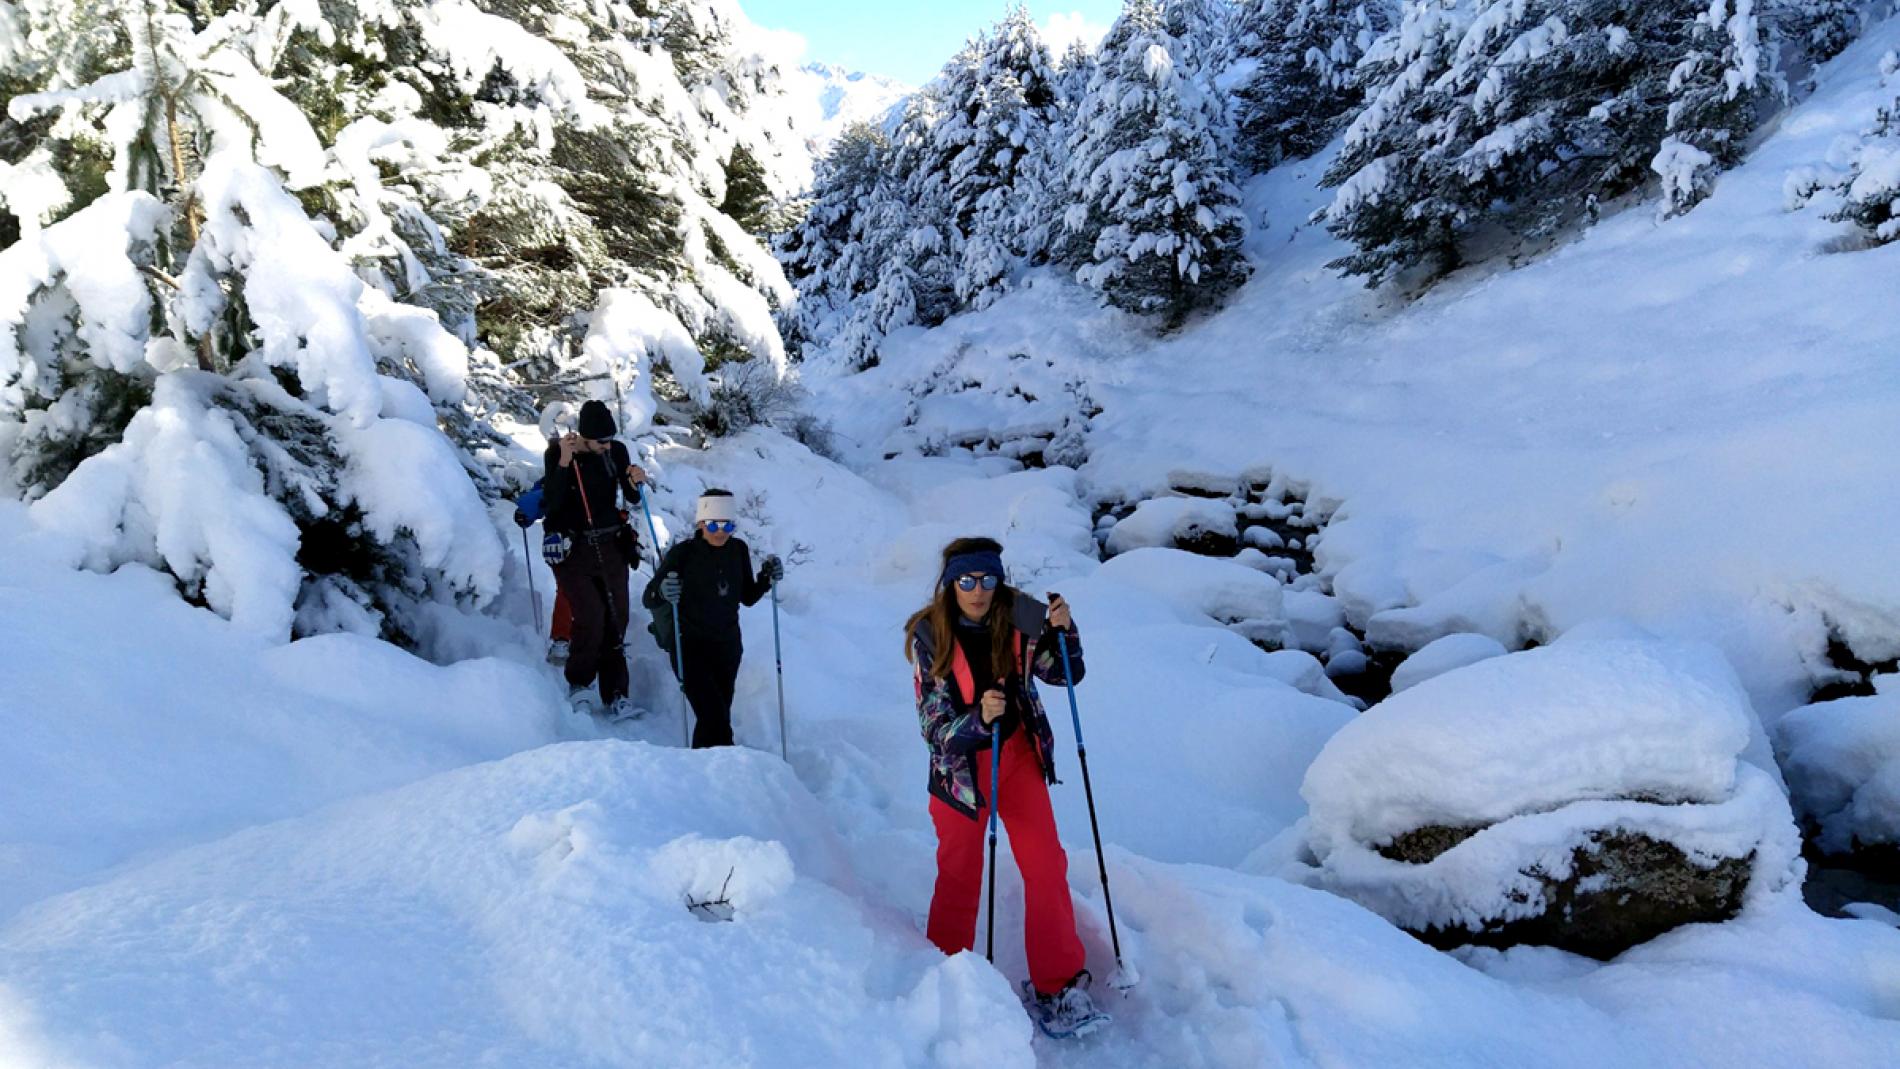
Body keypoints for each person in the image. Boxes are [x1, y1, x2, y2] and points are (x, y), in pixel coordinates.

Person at [903, 536, 1103, 1036]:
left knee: (1046, 866)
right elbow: (933, 728)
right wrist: (976, 719)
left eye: (987, 579)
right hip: (961, 773)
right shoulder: (930, 637)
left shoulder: (1021, 617)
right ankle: (947, 980)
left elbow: (1067, 674)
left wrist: (1065, 630)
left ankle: (1057, 986)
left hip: (1017, 759)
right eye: (967, 580)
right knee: (960, 873)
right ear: (950, 584)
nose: (978, 590)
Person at [644, 489, 782, 748]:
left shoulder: (738, 549)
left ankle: (706, 774)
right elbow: (649, 598)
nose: (720, 531)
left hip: (727, 647)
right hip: (689, 646)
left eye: (727, 524)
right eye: (713, 524)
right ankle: (726, 769)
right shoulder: (683, 554)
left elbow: (747, 597)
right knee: (713, 717)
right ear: (700, 523)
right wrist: (663, 591)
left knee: (716, 717)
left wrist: (766, 578)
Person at [543, 400, 648, 718]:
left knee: (618, 618)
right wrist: (563, 461)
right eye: (600, 441)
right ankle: (579, 683)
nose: (606, 446)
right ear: (585, 436)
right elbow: (553, 501)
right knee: (590, 617)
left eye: (609, 440)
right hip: (575, 549)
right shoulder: (560, 453)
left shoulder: (615, 452)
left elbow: (631, 497)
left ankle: (617, 693)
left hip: (613, 544)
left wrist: (634, 482)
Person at [512, 479, 573, 664]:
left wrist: (526, 512)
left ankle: (565, 639)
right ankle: (562, 639)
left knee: (570, 589)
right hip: (563, 541)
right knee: (568, 588)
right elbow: (542, 495)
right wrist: (527, 511)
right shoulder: (558, 473)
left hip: (562, 540)